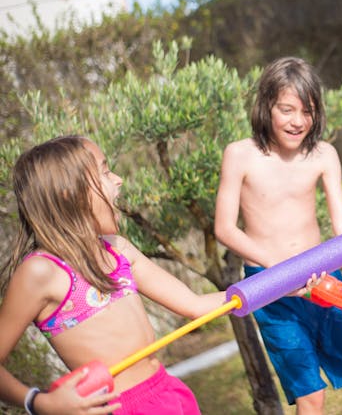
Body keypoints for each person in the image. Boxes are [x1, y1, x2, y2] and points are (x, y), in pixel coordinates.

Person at [0, 135, 231, 414]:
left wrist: (276, 284)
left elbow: (195, 305)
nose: (118, 179)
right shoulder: (40, 272)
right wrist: (39, 402)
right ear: (68, 191)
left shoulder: (117, 249)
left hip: (168, 393)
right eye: (105, 171)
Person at [214, 56, 342, 414]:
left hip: (325, 278)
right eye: (287, 109)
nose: (297, 121)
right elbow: (224, 228)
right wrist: (278, 268)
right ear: (266, 106)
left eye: (307, 111)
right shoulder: (240, 155)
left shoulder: (323, 154)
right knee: (310, 395)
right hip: (270, 286)